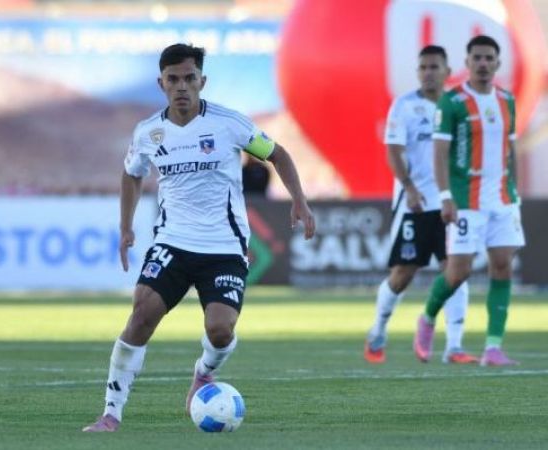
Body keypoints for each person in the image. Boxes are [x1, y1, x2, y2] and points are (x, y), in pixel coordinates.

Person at [82, 43, 315, 432]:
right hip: (172, 242)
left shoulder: (230, 124)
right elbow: (132, 174)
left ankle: (204, 372)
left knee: (220, 330)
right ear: (161, 83)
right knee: (141, 314)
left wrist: (300, 202)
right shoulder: (149, 132)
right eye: (173, 79)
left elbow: (278, 155)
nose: (181, 86)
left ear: (202, 81)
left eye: (189, 78)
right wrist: (126, 226)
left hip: (224, 247)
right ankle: (111, 413)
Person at [413, 35, 525, 366]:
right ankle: (428, 317)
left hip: (502, 199)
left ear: (498, 63)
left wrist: (515, 191)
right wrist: (446, 196)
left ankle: (493, 347)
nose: (483, 64)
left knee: (502, 266)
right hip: (466, 201)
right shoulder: (453, 102)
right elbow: (439, 153)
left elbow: (511, 148)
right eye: (477, 58)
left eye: (489, 58)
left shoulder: (507, 100)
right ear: (467, 63)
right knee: (458, 272)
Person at [364, 45, 477, 365]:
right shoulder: (404, 106)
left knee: (455, 270)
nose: (428, 72)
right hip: (415, 203)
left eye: (434, 67)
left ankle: (454, 345)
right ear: (418, 72)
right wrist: (410, 188)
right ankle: (378, 330)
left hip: (451, 203)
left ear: (447, 71)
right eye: (423, 67)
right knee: (403, 273)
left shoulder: (458, 106)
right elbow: (393, 151)